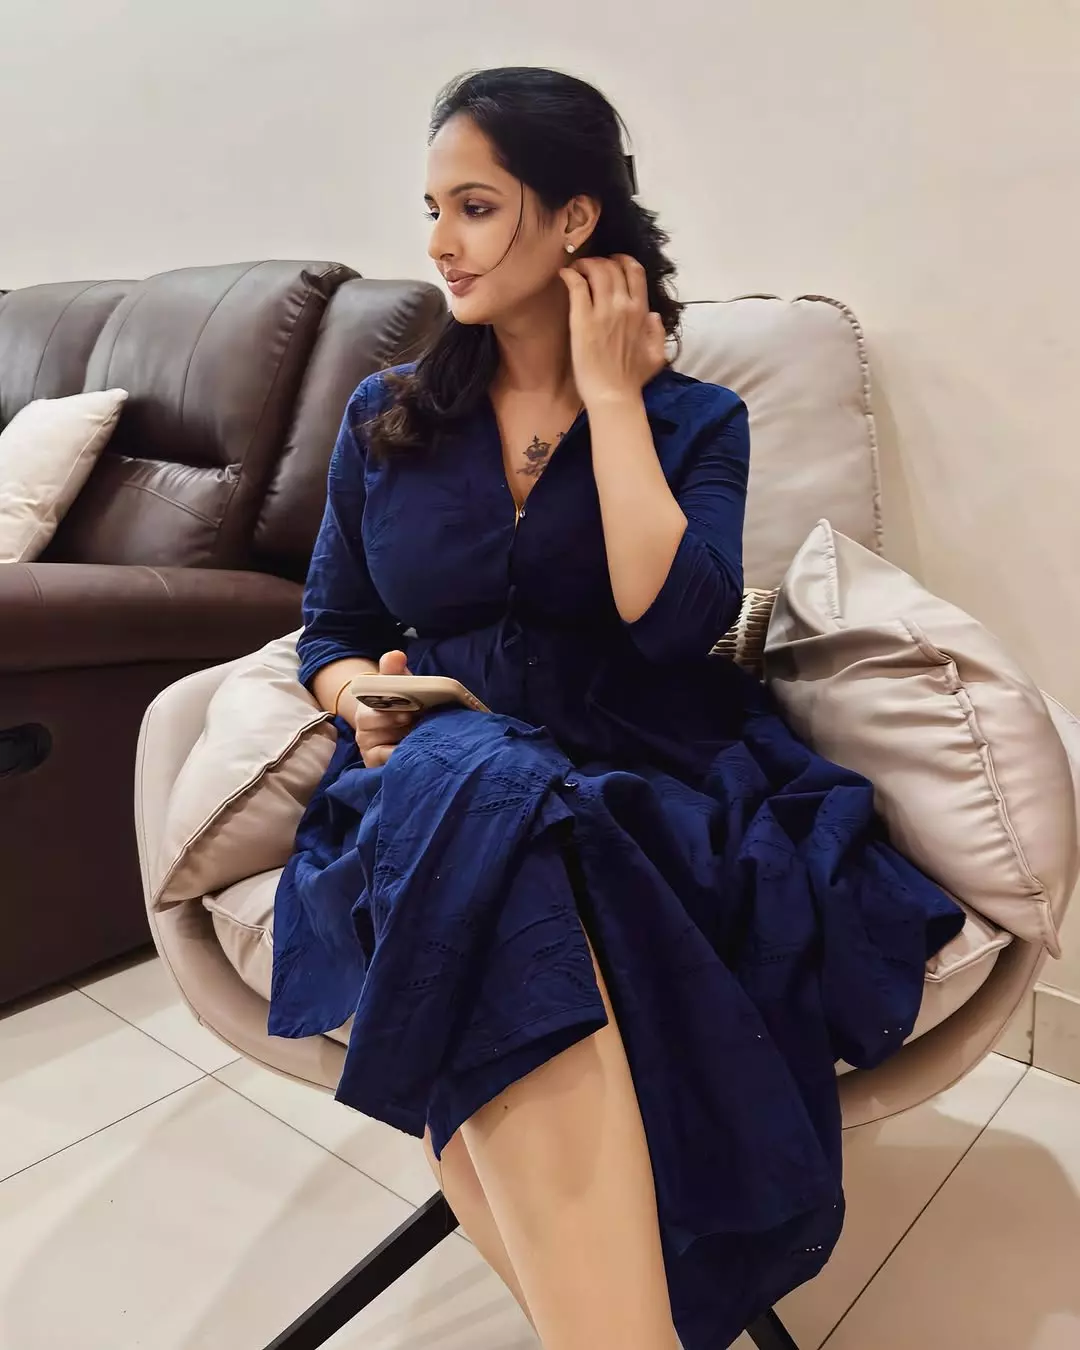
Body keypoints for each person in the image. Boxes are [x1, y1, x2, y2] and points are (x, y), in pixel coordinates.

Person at [270, 67, 963, 1350]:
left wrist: (611, 399)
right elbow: (333, 628)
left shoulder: (697, 420)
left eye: (477, 206)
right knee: (475, 788)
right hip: (439, 770)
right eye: (433, 209)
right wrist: (359, 693)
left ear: (576, 219)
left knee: (507, 850)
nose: (439, 244)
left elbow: (677, 622)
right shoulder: (387, 418)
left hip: (655, 780)